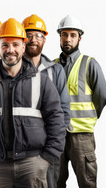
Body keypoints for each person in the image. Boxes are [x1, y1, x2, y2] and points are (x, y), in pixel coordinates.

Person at [0, 18, 66, 188]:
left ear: (23, 46)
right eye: (5, 45)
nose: (10, 50)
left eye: (15, 44)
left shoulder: (41, 81)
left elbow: (57, 120)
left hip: (32, 165)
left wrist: (46, 159)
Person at [54, 15, 106, 188]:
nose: (68, 39)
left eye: (72, 35)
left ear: (79, 38)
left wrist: (90, 117)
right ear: (60, 37)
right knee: (54, 181)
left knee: (87, 183)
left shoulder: (90, 64)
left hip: (82, 138)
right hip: (57, 136)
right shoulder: (52, 66)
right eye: (64, 34)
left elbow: (102, 96)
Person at [22, 14, 71, 188]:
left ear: (44, 39)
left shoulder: (55, 70)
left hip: (48, 149)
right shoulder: (12, 69)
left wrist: (54, 146)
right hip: (21, 151)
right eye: (29, 35)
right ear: (22, 38)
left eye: (38, 35)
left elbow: (64, 110)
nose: (33, 40)